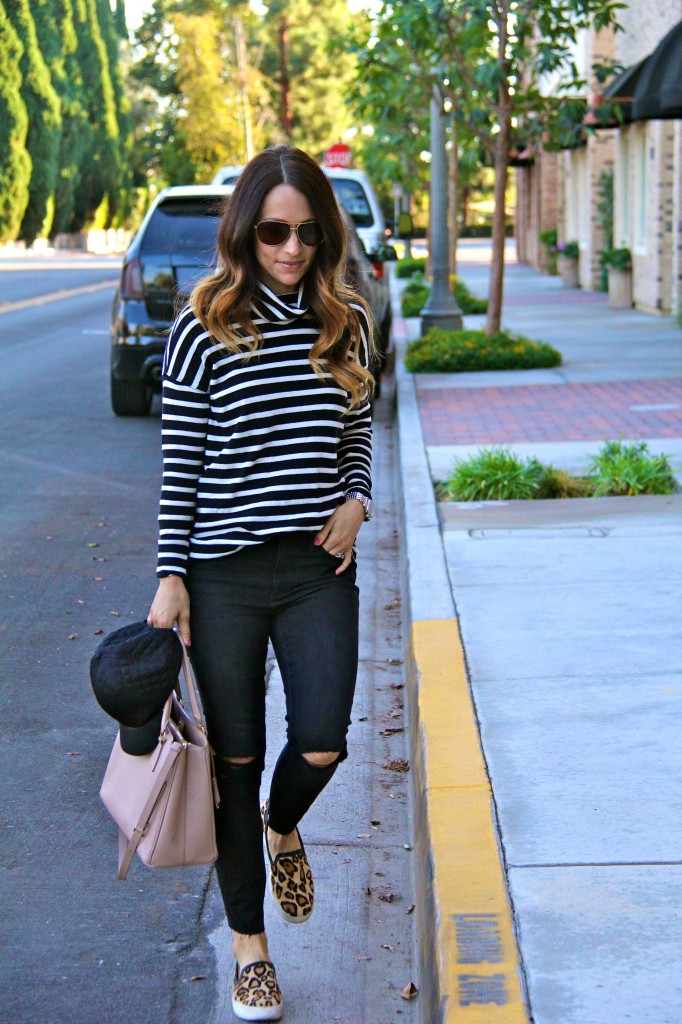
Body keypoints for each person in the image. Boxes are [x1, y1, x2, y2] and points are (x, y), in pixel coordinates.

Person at [147, 144, 375, 1022]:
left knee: (322, 736)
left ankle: (285, 829)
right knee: (232, 765)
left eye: (307, 232)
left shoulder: (344, 319)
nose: (291, 249)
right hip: (225, 574)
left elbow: (356, 429)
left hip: (318, 566)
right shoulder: (202, 324)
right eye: (275, 231)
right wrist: (173, 574)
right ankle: (251, 953)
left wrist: (358, 496)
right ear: (246, 232)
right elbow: (181, 463)